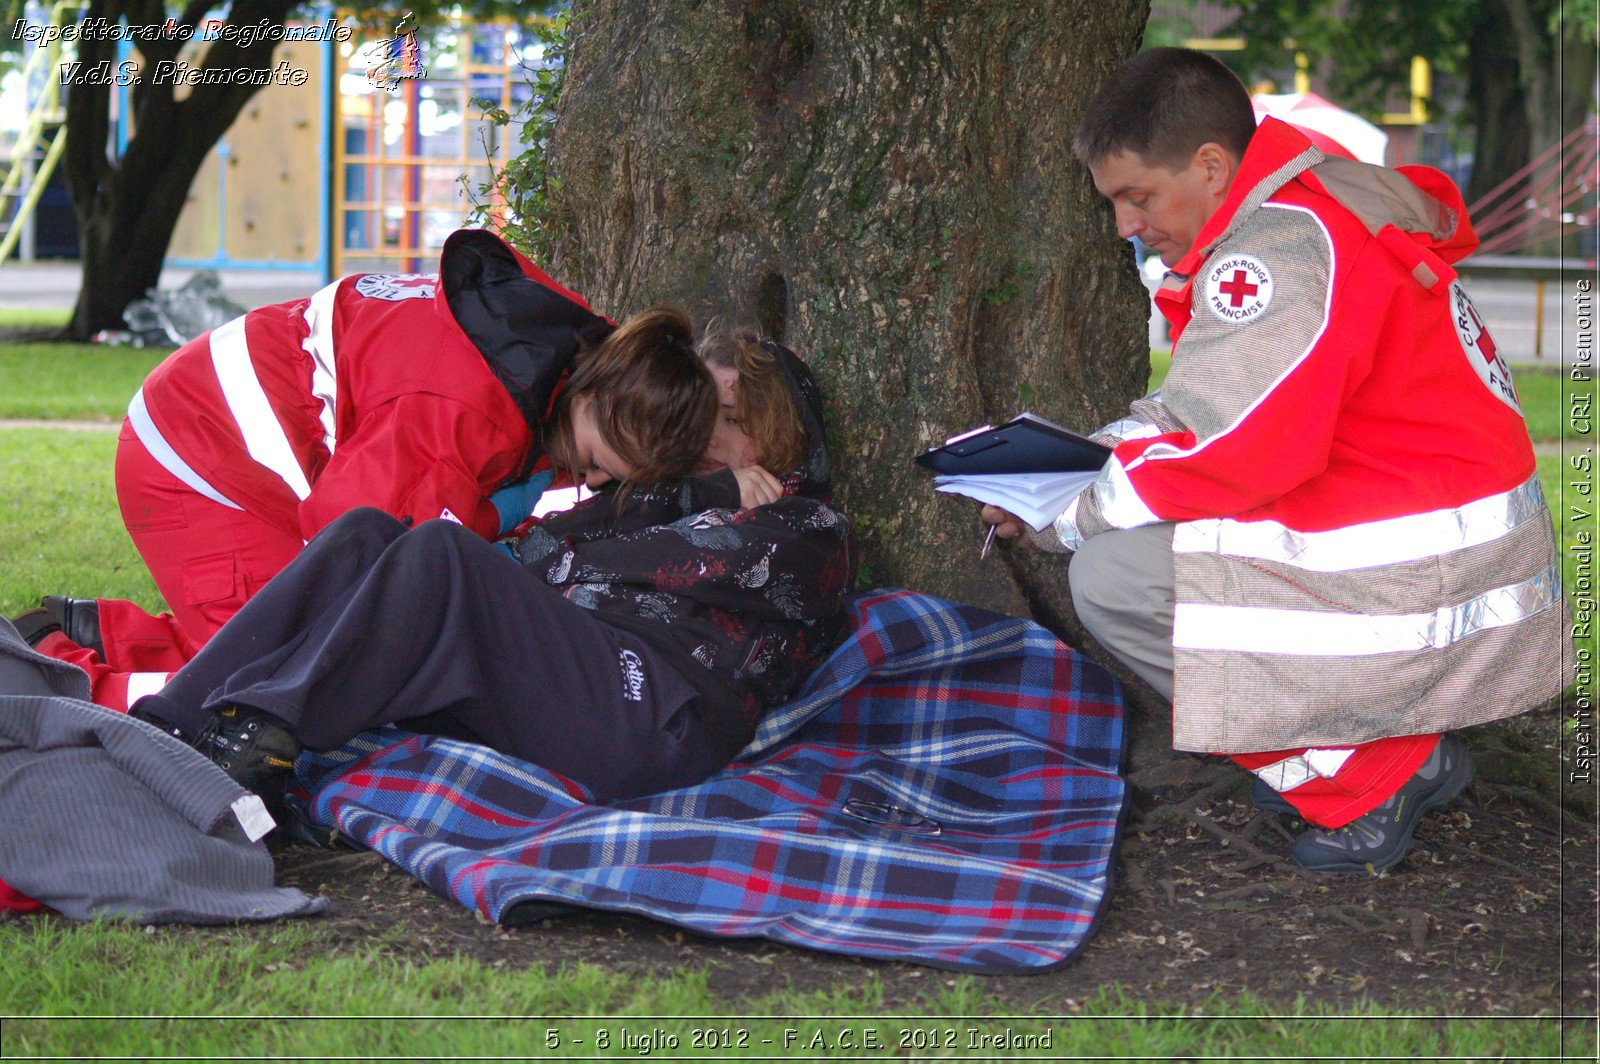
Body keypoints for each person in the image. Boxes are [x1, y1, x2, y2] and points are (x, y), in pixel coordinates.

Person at [981, 48, 1568, 873]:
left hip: (1422, 571)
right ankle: (1358, 751)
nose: (1123, 225)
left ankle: (1375, 774)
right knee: (1145, 557)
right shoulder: (1304, 210)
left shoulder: (1278, 255)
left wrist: (1063, 514)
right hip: (1439, 548)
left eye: (1136, 196)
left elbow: (1231, 453)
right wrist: (1071, 472)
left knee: (1116, 581)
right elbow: (1204, 413)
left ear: (1213, 167)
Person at [127, 327, 853, 805]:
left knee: (442, 556)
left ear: (763, 432)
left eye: (720, 418)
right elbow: (541, 552)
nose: (692, 432)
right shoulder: (669, 493)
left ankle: (252, 748)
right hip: (578, 683)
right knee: (365, 534)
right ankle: (170, 721)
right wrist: (695, 488)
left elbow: (560, 564)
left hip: (652, 719)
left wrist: (705, 495)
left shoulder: (805, 524)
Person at [16, 230, 712, 712]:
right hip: (200, 461)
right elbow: (355, 553)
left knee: (264, 641)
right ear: (590, 395)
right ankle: (59, 688)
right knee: (265, 679)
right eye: (589, 462)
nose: (580, 477)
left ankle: (83, 636)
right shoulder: (459, 416)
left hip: (208, 425)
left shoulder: (579, 349)